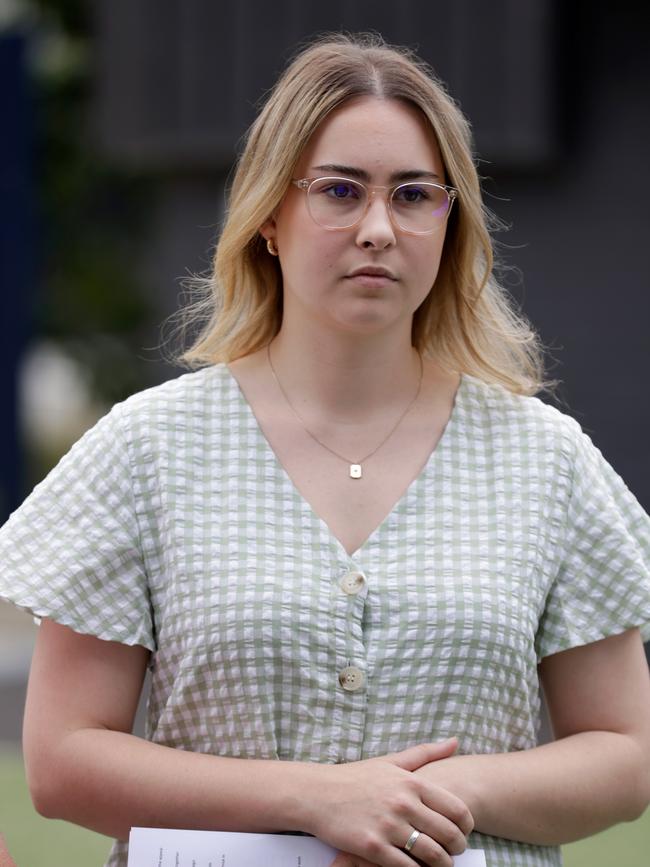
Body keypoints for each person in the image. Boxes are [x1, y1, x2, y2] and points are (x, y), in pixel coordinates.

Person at [0, 32, 649, 867]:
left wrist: (426, 799)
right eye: (340, 190)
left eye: (415, 196)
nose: (379, 227)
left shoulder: (546, 460)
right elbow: (62, 761)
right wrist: (315, 796)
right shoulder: (146, 450)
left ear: (451, 223)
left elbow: (624, 754)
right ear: (270, 215)